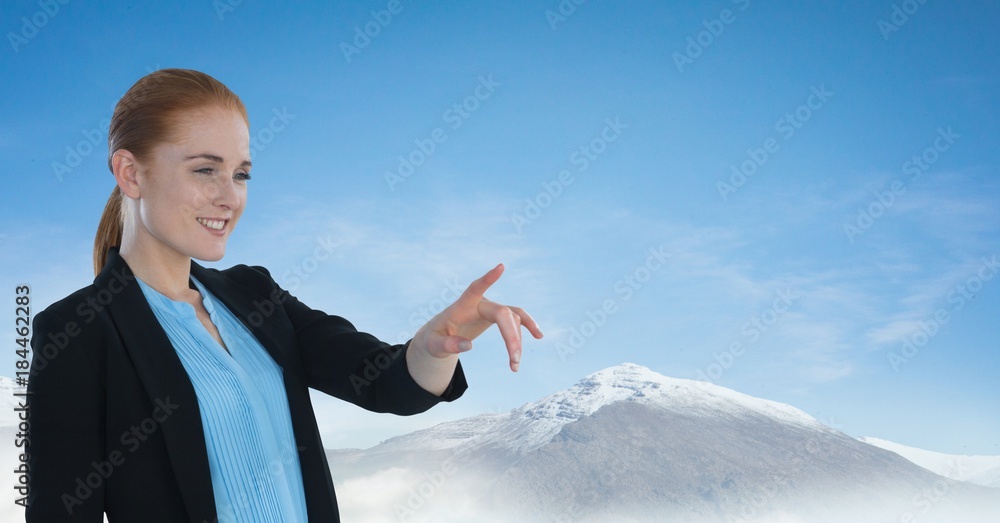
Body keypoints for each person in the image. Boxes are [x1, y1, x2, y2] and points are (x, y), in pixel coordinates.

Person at [26, 68, 543, 522]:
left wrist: (435, 343)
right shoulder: (77, 333)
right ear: (130, 173)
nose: (230, 197)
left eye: (241, 174)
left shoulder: (256, 295)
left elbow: (386, 384)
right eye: (205, 169)